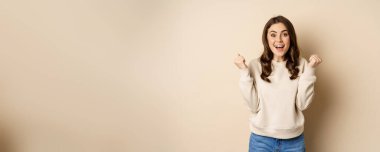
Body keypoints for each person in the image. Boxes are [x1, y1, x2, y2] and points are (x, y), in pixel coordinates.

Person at [234, 15, 322, 152]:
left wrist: (310, 70)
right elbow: (253, 106)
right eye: (273, 35)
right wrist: (244, 72)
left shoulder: (302, 64)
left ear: (290, 38)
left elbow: (303, 104)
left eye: (284, 34)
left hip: (294, 142)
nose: (279, 40)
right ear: (266, 39)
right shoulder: (255, 65)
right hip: (261, 141)